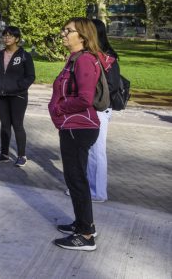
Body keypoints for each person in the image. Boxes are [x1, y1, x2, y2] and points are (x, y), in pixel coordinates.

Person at [49, 17, 102, 251]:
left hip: (80, 127)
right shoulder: (74, 59)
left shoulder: (84, 60)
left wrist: (59, 108)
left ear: (81, 36)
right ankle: (82, 223)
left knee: (77, 180)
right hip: (72, 127)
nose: (63, 33)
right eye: (64, 29)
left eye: (67, 30)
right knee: (74, 179)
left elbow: (85, 99)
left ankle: (87, 235)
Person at [0, 26, 35, 167]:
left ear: (17, 39)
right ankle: (4, 154)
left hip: (18, 96)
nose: (7, 38)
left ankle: (22, 156)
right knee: (5, 125)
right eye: (5, 35)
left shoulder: (25, 56)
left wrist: (18, 87)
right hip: (1, 95)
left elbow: (30, 76)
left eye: (10, 36)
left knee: (18, 125)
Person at [86, 19, 119, 202]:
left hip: (99, 109)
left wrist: (93, 99)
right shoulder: (90, 54)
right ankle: (86, 189)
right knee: (88, 151)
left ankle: (98, 192)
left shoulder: (108, 56)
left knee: (97, 151)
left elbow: (112, 86)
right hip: (89, 108)